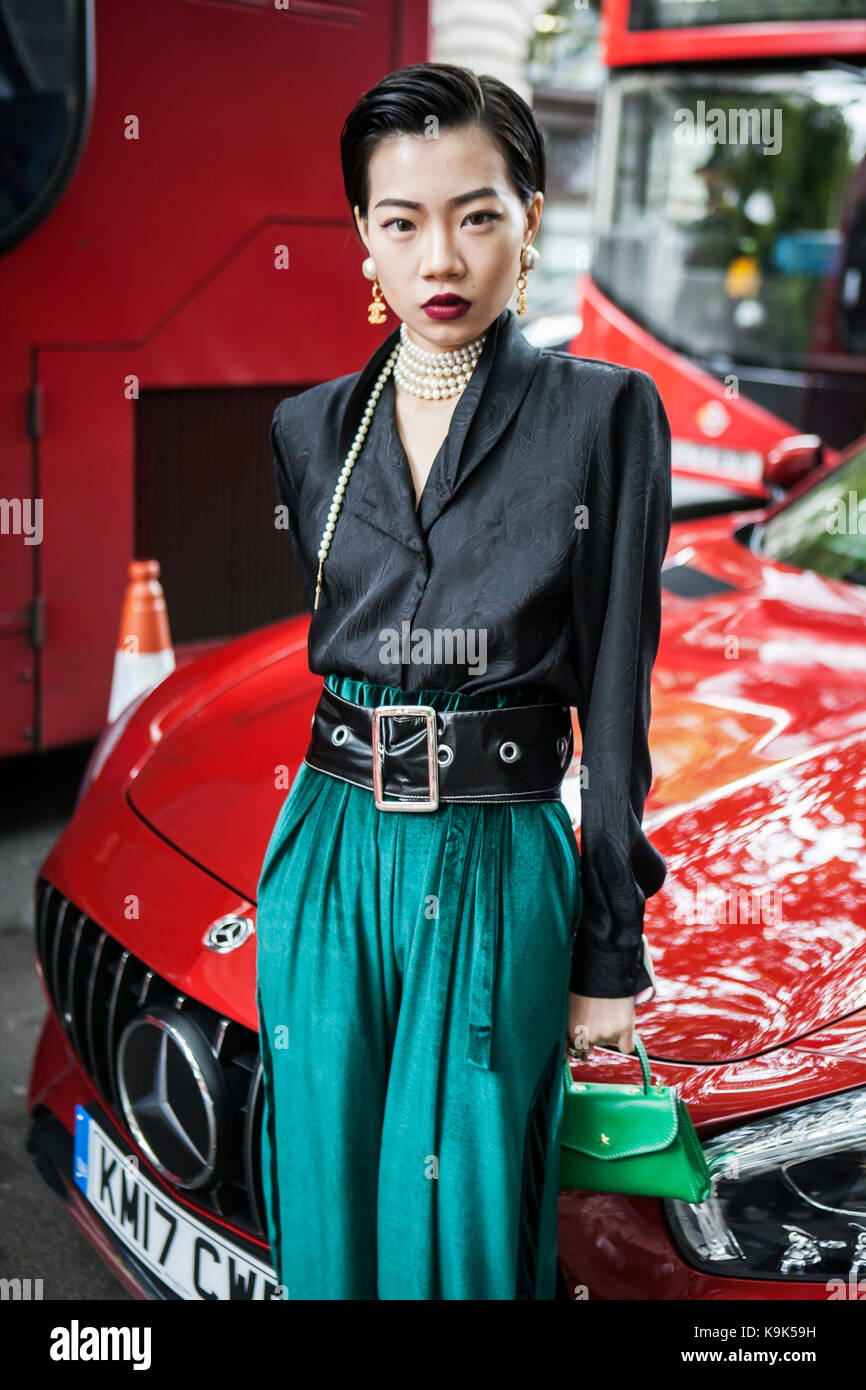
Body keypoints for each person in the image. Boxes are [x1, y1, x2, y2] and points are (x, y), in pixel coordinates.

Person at [255, 61, 671, 1301]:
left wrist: (609, 948)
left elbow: (614, 703)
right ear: (363, 244)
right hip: (325, 851)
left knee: (466, 1233)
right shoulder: (306, 431)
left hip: (492, 859)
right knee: (327, 1207)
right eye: (402, 220)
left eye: (476, 212)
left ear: (529, 219)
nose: (441, 255)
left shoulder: (601, 417)